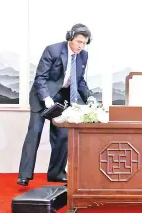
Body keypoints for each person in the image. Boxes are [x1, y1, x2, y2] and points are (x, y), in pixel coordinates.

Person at [17, 23, 92, 186]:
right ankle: (24, 175)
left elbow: (79, 82)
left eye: (84, 43)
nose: (81, 46)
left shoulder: (83, 56)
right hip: (41, 95)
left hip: (61, 98)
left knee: (63, 136)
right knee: (34, 132)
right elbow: (40, 78)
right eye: (79, 42)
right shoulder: (53, 50)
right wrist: (46, 97)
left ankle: (56, 173)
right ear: (70, 38)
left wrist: (90, 98)